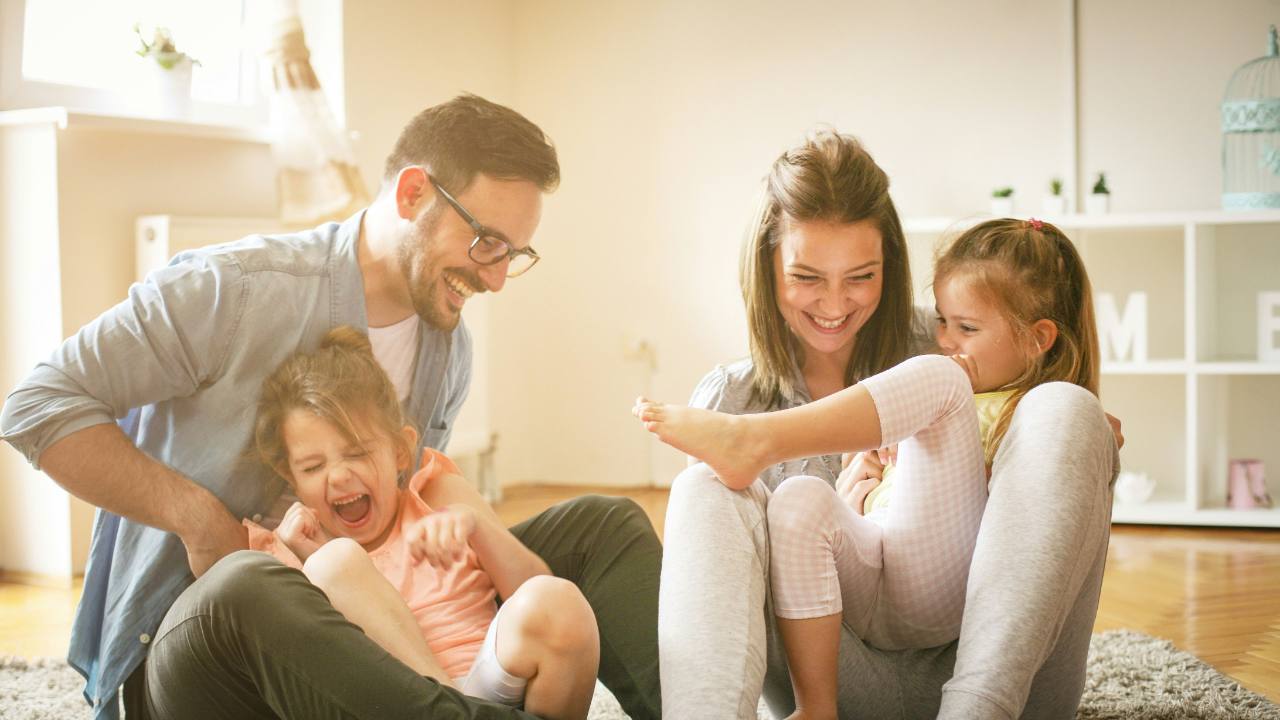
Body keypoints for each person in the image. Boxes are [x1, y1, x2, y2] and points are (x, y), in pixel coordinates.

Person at [0, 93, 660, 720]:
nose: (495, 278)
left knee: (602, 527)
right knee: (250, 582)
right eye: (486, 241)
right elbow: (37, 404)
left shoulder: (447, 348)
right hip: (216, 652)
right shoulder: (235, 288)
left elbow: (402, 540)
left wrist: (459, 530)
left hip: (372, 639)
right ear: (413, 192)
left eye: (513, 255)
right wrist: (199, 520)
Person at [653, 130, 1118, 720]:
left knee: (1065, 406)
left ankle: (976, 710)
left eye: (860, 276)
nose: (834, 305)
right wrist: (847, 505)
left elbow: (1058, 436)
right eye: (807, 277)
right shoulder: (730, 396)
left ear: (890, 266)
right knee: (702, 486)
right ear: (766, 268)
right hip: (832, 685)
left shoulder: (956, 342)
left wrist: (1074, 429)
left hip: (1001, 679)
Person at [248, 326, 599, 719]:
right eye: (313, 467)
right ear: (290, 476)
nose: (339, 476)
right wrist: (307, 561)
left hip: (485, 687)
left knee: (559, 601)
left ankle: (457, 710)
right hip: (400, 705)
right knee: (334, 562)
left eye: (357, 453)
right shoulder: (287, 546)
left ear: (400, 451)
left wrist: (478, 528)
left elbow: (533, 592)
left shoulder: (437, 495)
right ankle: (450, 709)